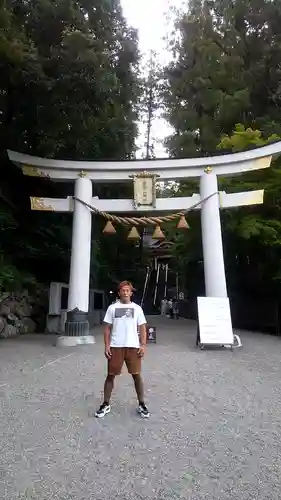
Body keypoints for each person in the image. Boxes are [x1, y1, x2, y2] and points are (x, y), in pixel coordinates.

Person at [95, 280, 150, 419]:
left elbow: (142, 327)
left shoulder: (137, 308)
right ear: (119, 293)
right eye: (123, 290)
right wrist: (107, 345)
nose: (125, 292)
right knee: (110, 375)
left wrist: (143, 345)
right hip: (116, 346)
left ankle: (142, 404)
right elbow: (107, 328)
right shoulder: (112, 308)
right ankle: (105, 403)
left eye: (128, 290)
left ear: (131, 293)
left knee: (136, 375)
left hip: (133, 346)